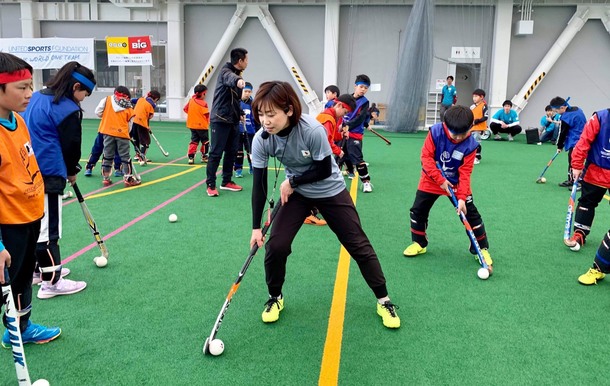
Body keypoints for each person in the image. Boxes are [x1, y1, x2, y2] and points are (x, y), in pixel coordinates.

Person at [249, 81, 400, 328]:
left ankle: (384, 300)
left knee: (358, 245)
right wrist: (256, 227)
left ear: (288, 110)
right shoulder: (261, 139)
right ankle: (275, 297)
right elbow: (259, 185)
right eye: (261, 114)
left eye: (271, 114)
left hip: (329, 189)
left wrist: (293, 181)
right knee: (276, 246)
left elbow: (322, 169)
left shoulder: (312, 129)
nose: (265, 121)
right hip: (298, 194)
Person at [0, 52, 61, 347]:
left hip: (30, 216)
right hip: (7, 226)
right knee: (4, 284)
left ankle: (21, 328)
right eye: (21, 88)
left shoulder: (19, 122)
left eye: (30, 85)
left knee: (23, 279)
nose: (29, 93)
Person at [22, 61, 95, 299]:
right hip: (49, 173)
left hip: (26, 170)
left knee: (33, 226)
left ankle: (37, 271)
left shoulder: (35, 97)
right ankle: (51, 282)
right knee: (48, 230)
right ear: (75, 86)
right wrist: (72, 169)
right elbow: (71, 146)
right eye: (85, 92)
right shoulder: (67, 109)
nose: (84, 98)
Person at [403, 106, 493, 271]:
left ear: (470, 127)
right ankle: (419, 243)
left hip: (457, 183)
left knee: (471, 215)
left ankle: (480, 248)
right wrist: (440, 179)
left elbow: (466, 173)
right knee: (418, 211)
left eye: (463, 134)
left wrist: (461, 198)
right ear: (446, 125)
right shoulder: (436, 132)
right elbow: (426, 157)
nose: (458, 138)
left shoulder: (471, 145)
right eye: (454, 134)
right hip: (431, 179)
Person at [304, 94, 357, 227]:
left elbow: (330, 135)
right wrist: (338, 151)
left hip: (315, 154)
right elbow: (326, 140)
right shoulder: (328, 118)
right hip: (315, 156)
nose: (342, 115)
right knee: (319, 182)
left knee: (320, 182)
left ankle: (314, 209)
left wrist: (340, 134)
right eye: (344, 112)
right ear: (339, 105)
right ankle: (309, 212)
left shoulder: (329, 116)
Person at [563, 109, 610, 255]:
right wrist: (576, 165)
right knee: (587, 203)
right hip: (597, 170)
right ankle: (579, 234)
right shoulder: (600, 118)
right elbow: (584, 141)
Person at [205, 47, 249, 197]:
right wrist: (239, 81)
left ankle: (226, 181)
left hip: (233, 120)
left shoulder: (238, 73)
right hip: (220, 119)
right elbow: (230, 78)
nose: (248, 62)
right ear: (240, 61)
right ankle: (210, 184)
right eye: (247, 59)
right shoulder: (226, 72)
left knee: (232, 151)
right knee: (216, 153)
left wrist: (240, 113)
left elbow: (234, 100)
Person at [95, 86, 138, 187]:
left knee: (107, 155)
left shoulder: (106, 99)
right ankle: (128, 178)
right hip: (122, 133)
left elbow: (98, 112)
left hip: (107, 132)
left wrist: (106, 117)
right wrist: (127, 133)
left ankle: (106, 178)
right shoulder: (129, 106)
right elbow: (130, 123)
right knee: (125, 157)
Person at [343, 74, 373, 193]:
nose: (363, 90)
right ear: (355, 86)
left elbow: (361, 118)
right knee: (338, 157)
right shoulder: (346, 98)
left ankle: (366, 182)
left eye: (366, 88)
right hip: (342, 133)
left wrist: (348, 126)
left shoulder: (365, 102)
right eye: (361, 87)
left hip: (355, 134)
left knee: (357, 158)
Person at [551, 96, 587, 188]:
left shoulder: (566, 117)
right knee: (572, 160)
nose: (556, 113)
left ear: (562, 108)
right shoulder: (577, 109)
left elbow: (562, 133)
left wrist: (559, 146)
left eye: (556, 111)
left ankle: (579, 182)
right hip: (583, 139)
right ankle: (572, 179)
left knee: (575, 161)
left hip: (577, 141)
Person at [130, 89, 161, 165]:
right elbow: (148, 117)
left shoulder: (141, 99)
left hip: (133, 121)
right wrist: (147, 126)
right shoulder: (152, 105)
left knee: (136, 139)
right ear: (156, 99)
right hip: (141, 123)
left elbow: (132, 100)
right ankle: (142, 157)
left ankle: (137, 155)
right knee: (146, 142)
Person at [234, 82, 257, 177]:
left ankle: (252, 167)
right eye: (245, 91)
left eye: (249, 91)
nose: (247, 93)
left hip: (250, 132)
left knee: (251, 151)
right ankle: (238, 169)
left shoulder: (253, 104)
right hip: (238, 132)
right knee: (238, 151)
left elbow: (256, 119)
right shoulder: (236, 102)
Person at [184, 84, 210, 165]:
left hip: (192, 125)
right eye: (205, 93)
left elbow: (185, 109)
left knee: (194, 141)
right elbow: (207, 115)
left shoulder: (191, 100)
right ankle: (204, 156)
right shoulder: (203, 103)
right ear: (203, 94)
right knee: (205, 142)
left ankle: (191, 157)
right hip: (202, 126)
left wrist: (193, 115)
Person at [469, 89, 488, 164]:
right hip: (472, 128)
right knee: (470, 142)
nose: (474, 98)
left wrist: (477, 121)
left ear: (481, 97)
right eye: (473, 96)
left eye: (476, 96)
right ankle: (470, 156)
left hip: (479, 128)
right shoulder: (472, 107)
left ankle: (477, 157)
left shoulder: (484, 106)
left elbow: (485, 117)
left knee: (477, 142)